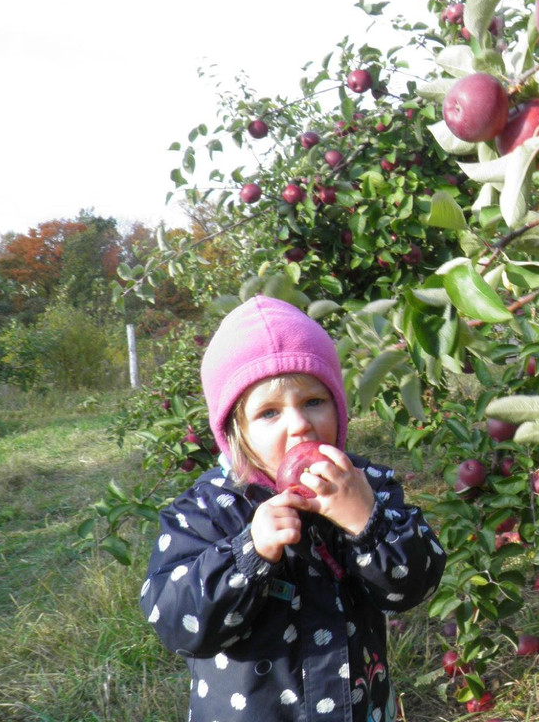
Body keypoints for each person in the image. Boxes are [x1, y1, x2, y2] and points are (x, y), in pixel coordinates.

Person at [140, 295, 446, 722]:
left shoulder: (364, 486)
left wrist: (367, 522)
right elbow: (176, 622)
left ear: (338, 408)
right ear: (236, 432)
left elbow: (415, 586)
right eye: (269, 413)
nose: (299, 424)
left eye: (313, 402)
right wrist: (248, 553)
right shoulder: (210, 509)